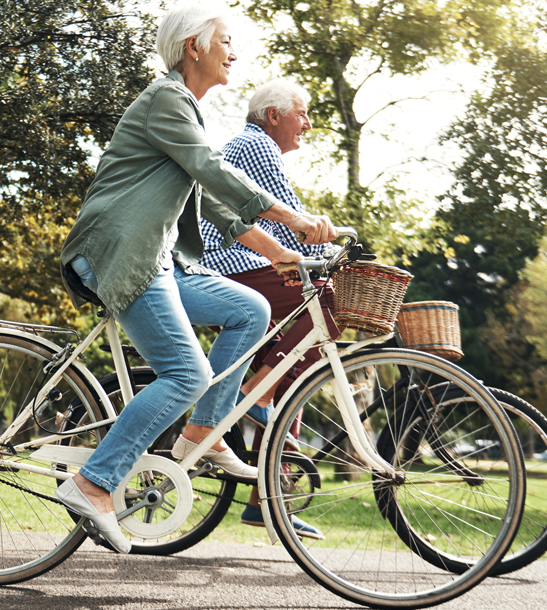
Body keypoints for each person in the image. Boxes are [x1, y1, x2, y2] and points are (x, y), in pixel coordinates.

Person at [55, 4, 334, 554]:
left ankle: (203, 434)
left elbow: (216, 211)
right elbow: (213, 169)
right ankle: (93, 484)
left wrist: (285, 255)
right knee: (185, 374)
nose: (235, 51)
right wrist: (296, 218)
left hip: (159, 262)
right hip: (120, 256)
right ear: (194, 48)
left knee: (251, 309)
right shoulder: (167, 99)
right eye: (226, 41)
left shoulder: (187, 112)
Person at [198, 79, 338, 539]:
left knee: (294, 369)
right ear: (274, 115)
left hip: (249, 261)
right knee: (328, 304)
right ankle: (250, 396)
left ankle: (267, 499)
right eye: (302, 113)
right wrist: (334, 235)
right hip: (233, 262)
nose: (308, 123)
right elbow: (295, 217)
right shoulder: (256, 143)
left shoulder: (255, 146)